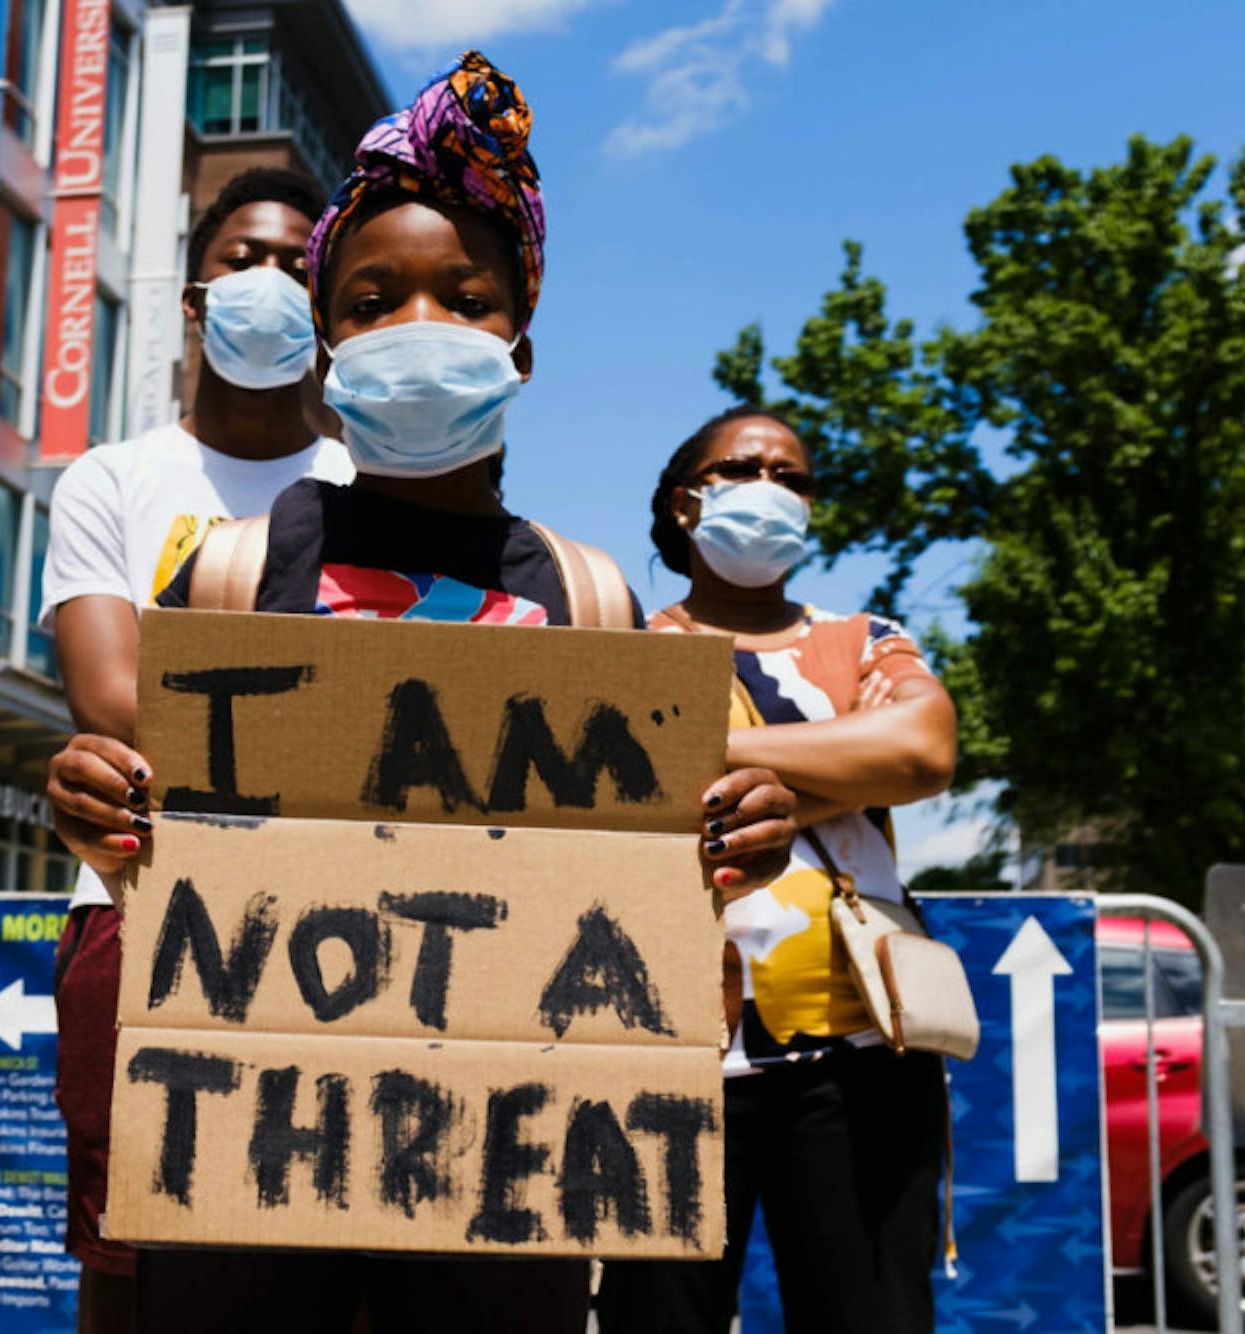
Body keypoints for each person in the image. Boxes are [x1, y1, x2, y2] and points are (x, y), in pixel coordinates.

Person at [46, 54, 798, 1334]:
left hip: (504, 1182)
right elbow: (174, 845)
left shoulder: (587, 593)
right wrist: (101, 806)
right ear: (325, 339)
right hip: (255, 1169)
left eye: (464, 298)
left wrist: (728, 838)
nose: (421, 330)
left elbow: (637, 885)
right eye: (374, 298)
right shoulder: (232, 572)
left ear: (520, 337)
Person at [38, 165, 353, 1332]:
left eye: (295, 264)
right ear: (191, 294)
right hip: (145, 904)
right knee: (135, 1259)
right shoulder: (111, 478)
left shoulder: (374, 482)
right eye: (242, 259)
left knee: (339, 1242)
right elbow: (114, 703)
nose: (267, 281)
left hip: (346, 912)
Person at [594, 405, 960, 1334]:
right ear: (685, 504)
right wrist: (843, 757)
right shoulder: (625, 650)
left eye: (791, 477)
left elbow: (921, 751)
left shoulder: (863, 637)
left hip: (864, 1055)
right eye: (742, 469)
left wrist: (707, 752)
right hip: (672, 1052)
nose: (770, 489)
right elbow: (615, 795)